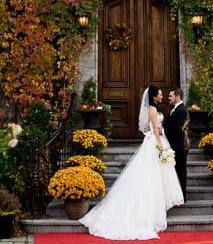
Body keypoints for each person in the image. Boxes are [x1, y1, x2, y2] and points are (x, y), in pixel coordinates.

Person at [79, 85, 184, 239]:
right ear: (154, 96)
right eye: (160, 94)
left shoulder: (154, 108)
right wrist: (161, 146)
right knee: (151, 176)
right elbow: (155, 128)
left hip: (157, 140)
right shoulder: (153, 110)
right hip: (155, 142)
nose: (162, 96)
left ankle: (155, 208)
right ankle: (148, 211)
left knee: (156, 176)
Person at [165, 88, 189, 202]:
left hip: (178, 146)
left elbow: (177, 129)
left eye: (171, 96)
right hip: (173, 145)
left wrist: (162, 131)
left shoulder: (181, 110)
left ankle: (182, 196)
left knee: (180, 170)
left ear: (177, 97)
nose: (169, 98)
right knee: (175, 170)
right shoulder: (175, 109)